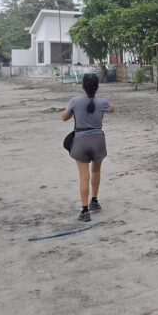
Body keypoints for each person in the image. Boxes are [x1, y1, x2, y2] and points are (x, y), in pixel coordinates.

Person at [61, 74, 116, 222]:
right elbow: (112, 108)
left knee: (84, 177)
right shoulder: (102, 102)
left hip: (81, 141)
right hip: (98, 140)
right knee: (96, 171)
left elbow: (64, 117)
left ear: (83, 86)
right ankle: (95, 201)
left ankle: (85, 211)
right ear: (97, 87)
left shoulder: (75, 101)